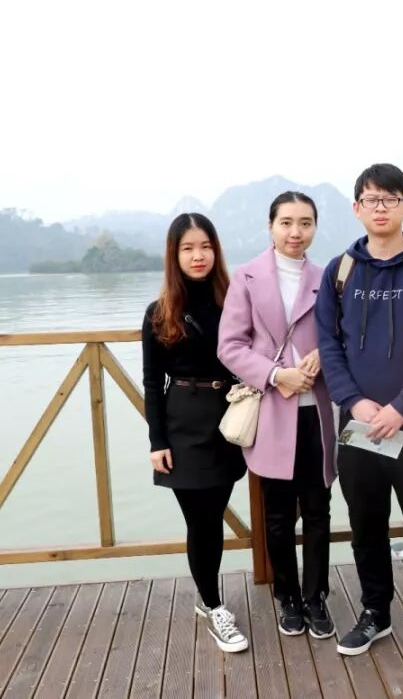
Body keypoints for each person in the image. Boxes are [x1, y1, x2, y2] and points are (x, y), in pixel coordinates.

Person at [314, 163, 403, 662]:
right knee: (365, 522)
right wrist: (354, 401)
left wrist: (402, 406)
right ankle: (375, 611)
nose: (380, 208)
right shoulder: (341, 271)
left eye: (390, 199)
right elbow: (328, 342)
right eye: (371, 200)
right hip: (359, 424)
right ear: (357, 209)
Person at [218, 191, 337, 640]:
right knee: (278, 514)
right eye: (286, 222)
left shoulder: (327, 278)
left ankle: (316, 597)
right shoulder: (247, 277)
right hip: (272, 411)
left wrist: (323, 355)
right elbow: (230, 346)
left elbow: (339, 336)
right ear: (270, 226)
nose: (295, 232)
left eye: (305, 223)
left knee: (319, 510)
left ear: (315, 227)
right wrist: (275, 374)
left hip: (317, 412)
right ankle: (287, 595)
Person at [142, 212, 248, 653]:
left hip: (229, 417)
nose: (198, 255)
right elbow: (152, 382)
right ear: (175, 255)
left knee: (214, 515)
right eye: (188, 248)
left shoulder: (235, 300)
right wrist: (157, 441)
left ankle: (208, 599)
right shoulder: (160, 312)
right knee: (199, 521)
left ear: (216, 251)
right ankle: (213, 604)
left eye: (205, 247)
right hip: (182, 419)